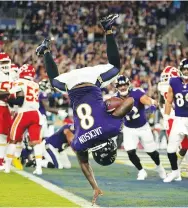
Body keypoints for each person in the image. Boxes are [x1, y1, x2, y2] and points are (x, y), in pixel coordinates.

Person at [36, 14, 134, 204]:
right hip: (70, 84)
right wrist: (94, 186)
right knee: (55, 83)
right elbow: (83, 163)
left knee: (116, 67)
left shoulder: (112, 129)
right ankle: (46, 50)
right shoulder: (80, 143)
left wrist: (111, 108)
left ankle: (108, 29)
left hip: (92, 79)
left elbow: (129, 100)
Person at [115, 75, 166, 180]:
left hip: (143, 127)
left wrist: (152, 104)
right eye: (120, 86)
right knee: (130, 151)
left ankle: (160, 167)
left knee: (152, 152)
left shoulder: (136, 93)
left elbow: (148, 100)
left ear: (128, 84)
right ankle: (141, 171)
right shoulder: (115, 99)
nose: (122, 87)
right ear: (117, 87)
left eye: (124, 85)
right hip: (129, 128)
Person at [4, 64, 44, 175]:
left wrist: (7, 100)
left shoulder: (19, 82)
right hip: (35, 114)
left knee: (13, 140)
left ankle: (7, 167)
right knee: (36, 142)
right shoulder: (35, 84)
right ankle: (39, 168)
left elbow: (20, 100)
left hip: (24, 113)